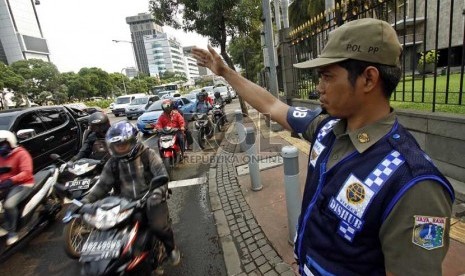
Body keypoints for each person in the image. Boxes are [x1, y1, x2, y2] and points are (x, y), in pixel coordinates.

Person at [192, 18, 454, 275]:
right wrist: (225, 73)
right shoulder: (327, 128)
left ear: (368, 79)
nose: (319, 89)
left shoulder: (414, 184)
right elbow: (272, 106)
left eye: (327, 76)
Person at [79, 121, 181, 266]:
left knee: (159, 227)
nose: (120, 148)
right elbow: (102, 185)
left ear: (133, 141)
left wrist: (157, 193)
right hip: (123, 204)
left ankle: (171, 249)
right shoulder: (113, 162)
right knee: (107, 231)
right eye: (116, 146)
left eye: (123, 144)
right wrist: (86, 200)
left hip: (150, 199)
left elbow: (162, 175)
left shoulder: (148, 155)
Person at [0, 130, 35, 246]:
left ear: (10, 142)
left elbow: (27, 173)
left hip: (23, 184)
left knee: (8, 205)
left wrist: (11, 180)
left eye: (2, 144)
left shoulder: (21, 154)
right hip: (5, 185)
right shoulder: (1, 156)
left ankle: (12, 232)